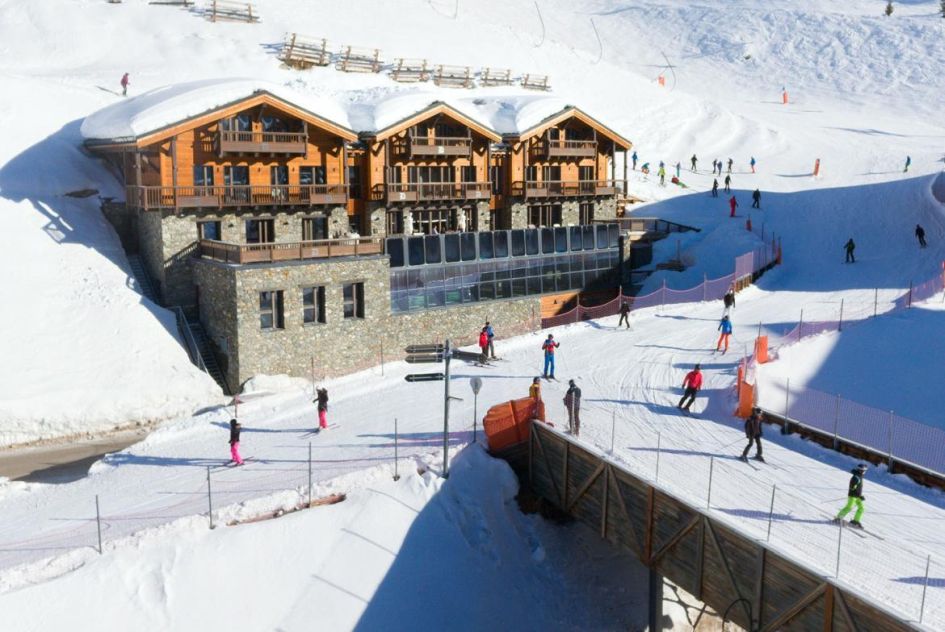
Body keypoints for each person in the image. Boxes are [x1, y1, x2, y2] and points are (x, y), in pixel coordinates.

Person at [835, 463, 868, 528]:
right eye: (863, 470)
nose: (864, 472)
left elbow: (857, 488)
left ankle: (855, 521)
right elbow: (852, 488)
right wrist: (859, 495)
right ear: (861, 470)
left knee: (861, 508)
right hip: (853, 496)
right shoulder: (856, 477)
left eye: (864, 470)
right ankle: (838, 518)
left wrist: (860, 495)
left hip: (857, 496)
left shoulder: (859, 476)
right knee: (849, 507)